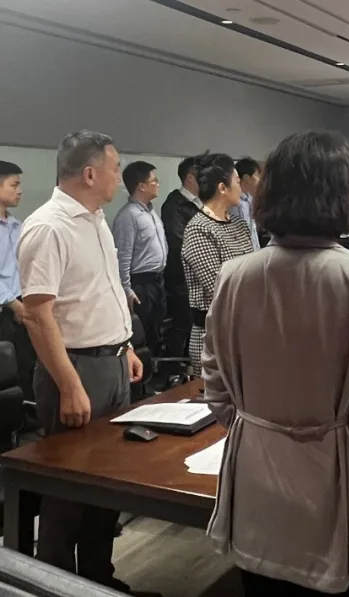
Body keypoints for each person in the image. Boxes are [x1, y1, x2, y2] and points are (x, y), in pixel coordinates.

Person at [202, 130, 349, 595]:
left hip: (255, 487)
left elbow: (218, 391)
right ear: (343, 197)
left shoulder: (234, 276)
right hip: (343, 491)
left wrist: (264, 435)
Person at [16, 131, 142, 591]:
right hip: (75, 369)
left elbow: (101, 291)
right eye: (115, 167)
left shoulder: (96, 219)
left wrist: (126, 346)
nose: (119, 177)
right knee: (68, 493)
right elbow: (38, 314)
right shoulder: (49, 227)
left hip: (111, 364)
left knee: (107, 483)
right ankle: (55, 585)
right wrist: (69, 385)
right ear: (90, 173)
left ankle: (97, 578)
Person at [181, 153, 253, 376]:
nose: (241, 188)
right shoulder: (199, 229)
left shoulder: (239, 224)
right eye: (237, 182)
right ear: (222, 188)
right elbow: (218, 288)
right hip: (213, 334)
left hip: (245, 328)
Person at [113, 161, 168, 356]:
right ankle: (142, 372)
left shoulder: (151, 211)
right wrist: (127, 289)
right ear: (141, 186)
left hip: (157, 280)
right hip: (140, 283)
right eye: (154, 181)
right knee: (141, 333)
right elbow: (122, 256)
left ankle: (153, 369)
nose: (158, 184)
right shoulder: (128, 216)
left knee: (156, 329)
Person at [0, 161, 36, 406]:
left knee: (25, 364)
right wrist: (13, 303)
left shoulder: (17, 225)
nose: (19, 191)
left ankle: (24, 415)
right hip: (6, 308)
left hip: (21, 306)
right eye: (14, 185)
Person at [161, 156, 201, 366]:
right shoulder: (174, 204)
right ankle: (173, 369)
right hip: (181, 277)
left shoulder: (198, 203)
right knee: (182, 324)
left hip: (195, 277)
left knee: (194, 324)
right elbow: (179, 243)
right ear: (190, 178)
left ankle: (189, 367)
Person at [230, 157, 263, 252]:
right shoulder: (235, 202)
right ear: (246, 178)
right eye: (257, 176)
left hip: (253, 250)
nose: (259, 181)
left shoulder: (250, 198)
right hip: (241, 251)